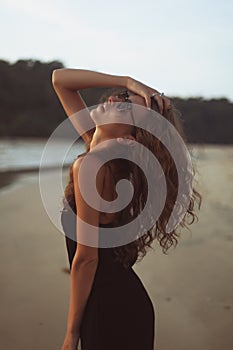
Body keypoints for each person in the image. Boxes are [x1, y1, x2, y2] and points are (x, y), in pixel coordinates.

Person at [52, 69, 201, 350]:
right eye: (121, 97)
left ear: (132, 137)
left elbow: (86, 260)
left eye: (125, 107)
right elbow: (60, 80)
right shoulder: (104, 158)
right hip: (122, 303)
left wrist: (71, 333)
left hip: (109, 311)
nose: (113, 99)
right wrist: (127, 81)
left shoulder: (93, 166)